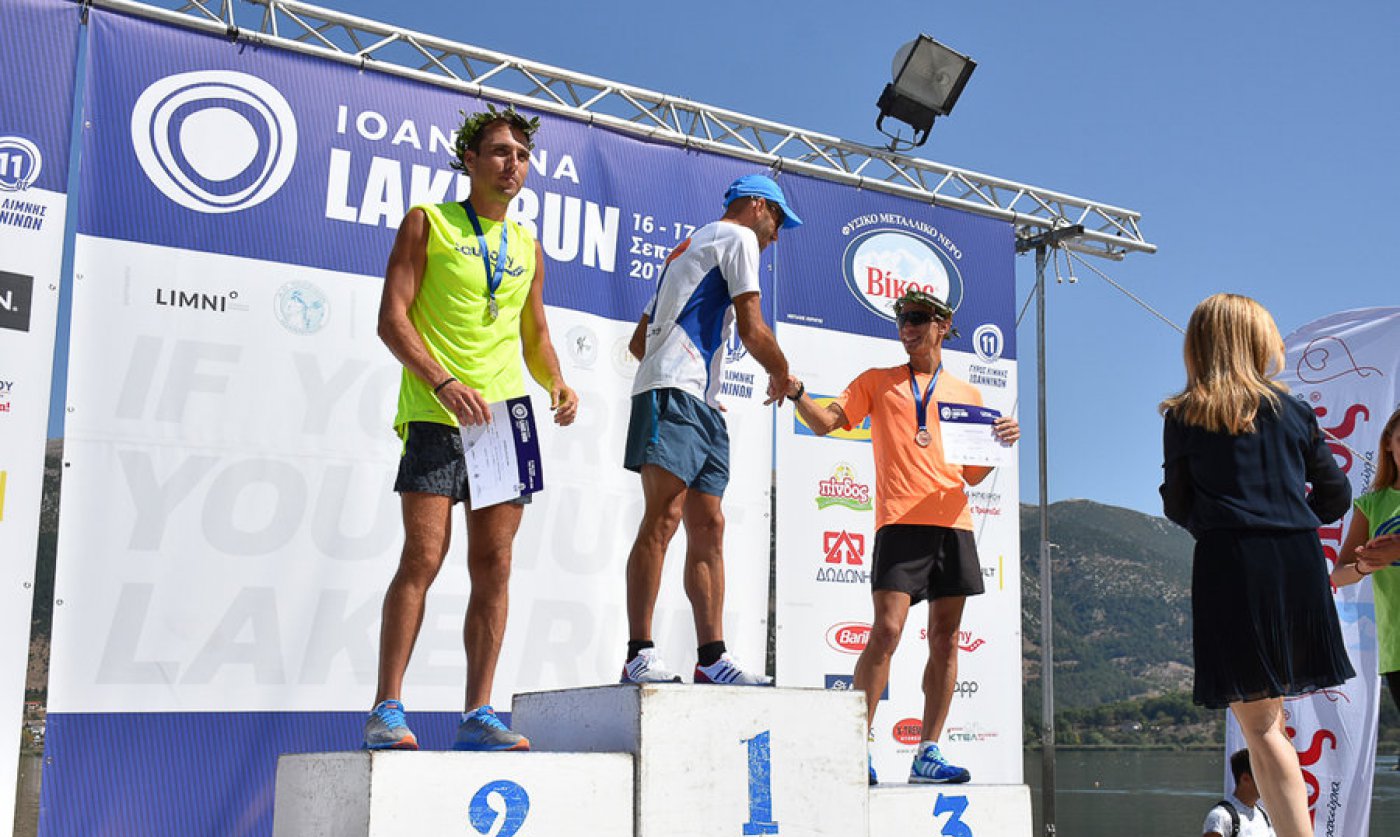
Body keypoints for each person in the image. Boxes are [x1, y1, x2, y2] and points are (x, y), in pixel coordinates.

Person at [363, 105, 579, 752]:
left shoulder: (528, 246)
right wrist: (442, 381)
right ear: (471, 159)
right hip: (437, 412)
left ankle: (478, 714)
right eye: (501, 152)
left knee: (496, 565)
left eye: (523, 155)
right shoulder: (427, 222)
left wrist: (557, 381)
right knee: (423, 556)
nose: (514, 164)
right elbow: (392, 319)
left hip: (506, 423)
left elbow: (535, 333)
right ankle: (386, 709)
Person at [1160, 293, 1352, 837]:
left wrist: (1227, 522)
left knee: (1262, 728)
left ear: (1201, 344)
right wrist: (1287, 516)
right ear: (1256, 341)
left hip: (1233, 563)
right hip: (1297, 564)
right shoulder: (1294, 411)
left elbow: (1178, 503)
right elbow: (1335, 495)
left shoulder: (1186, 414)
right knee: (1270, 726)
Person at [786, 289, 1019, 785]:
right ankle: (856, 746)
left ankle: (927, 752)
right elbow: (825, 423)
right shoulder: (877, 381)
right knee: (887, 631)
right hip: (899, 522)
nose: (906, 327)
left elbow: (973, 475)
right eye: (901, 319)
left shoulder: (968, 395)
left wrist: (1000, 442)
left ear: (942, 325)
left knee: (946, 640)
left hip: (953, 524)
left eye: (916, 318)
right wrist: (796, 391)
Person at [620, 174, 800, 686]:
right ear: (757, 206)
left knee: (708, 525)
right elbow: (753, 327)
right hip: (675, 392)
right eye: (777, 220)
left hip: (696, 397)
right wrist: (782, 374)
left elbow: (639, 341)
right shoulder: (737, 237)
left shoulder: (689, 247)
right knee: (664, 517)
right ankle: (638, 654)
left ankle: (712, 658)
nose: (776, 235)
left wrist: (692, 372)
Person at [1331, 404, 1400, 837]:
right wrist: (1364, 567)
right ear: (1389, 446)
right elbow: (1338, 573)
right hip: (1398, 645)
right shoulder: (1372, 505)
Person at [1200, 748, 1280, 837]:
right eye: (1264, 777)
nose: (1270, 783)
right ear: (1245, 779)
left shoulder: (1264, 815)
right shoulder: (1220, 817)